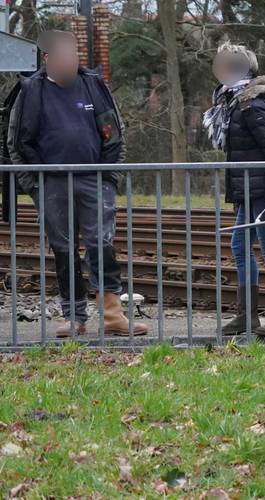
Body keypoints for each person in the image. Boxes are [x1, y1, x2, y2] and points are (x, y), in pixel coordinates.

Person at [7, 30, 147, 338]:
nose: (70, 63)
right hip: (51, 184)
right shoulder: (31, 89)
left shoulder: (93, 85)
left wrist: (108, 179)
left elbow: (114, 135)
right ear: (49, 59)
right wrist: (35, 186)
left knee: (102, 244)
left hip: (94, 181)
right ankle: (75, 317)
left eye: (74, 57)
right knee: (64, 249)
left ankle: (112, 314)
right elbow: (17, 143)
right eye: (64, 58)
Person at [203, 43, 265, 337]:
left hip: (263, 190)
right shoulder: (235, 103)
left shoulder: (251, 106)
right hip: (247, 189)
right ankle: (247, 316)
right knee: (240, 246)